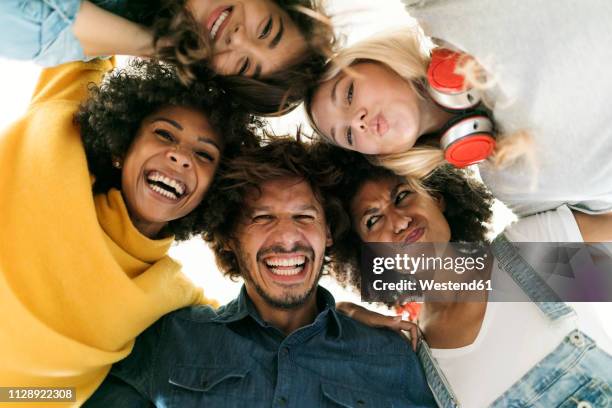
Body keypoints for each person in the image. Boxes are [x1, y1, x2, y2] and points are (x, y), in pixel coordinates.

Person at [84, 139, 437, 408]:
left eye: (304, 217)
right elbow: (43, 390)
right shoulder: (170, 338)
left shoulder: (393, 356)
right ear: (228, 239)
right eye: (262, 218)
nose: (287, 237)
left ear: (327, 233)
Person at [0, 57, 258, 405]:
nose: (181, 157)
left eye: (203, 154)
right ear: (124, 146)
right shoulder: (60, 135)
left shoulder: (170, 293)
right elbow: (90, 24)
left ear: (212, 190)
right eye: (164, 133)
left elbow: (266, 348)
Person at [313, 145, 612, 407]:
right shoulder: (417, 359)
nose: (400, 221)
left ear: (437, 197)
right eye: (373, 219)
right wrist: (341, 317)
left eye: (403, 196)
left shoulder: (530, 251)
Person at [305, 21, 612, 217]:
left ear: (373, 59)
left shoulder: (461, 19)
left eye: (348, 95)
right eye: (347, 136)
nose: (357, 122)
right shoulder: (508, 184)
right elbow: (598, 267)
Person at [0, 0, 337, 114]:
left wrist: (160, 46)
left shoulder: (100, 29)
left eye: (244, 65)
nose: (238, 39)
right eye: (265, 29)